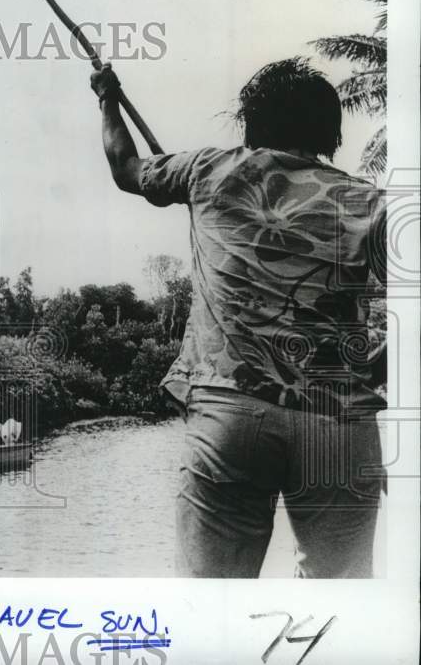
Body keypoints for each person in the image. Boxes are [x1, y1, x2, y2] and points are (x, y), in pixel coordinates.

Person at [91, 58, 387, 578]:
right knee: (341, 608)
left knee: (212, 607)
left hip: (232, 415)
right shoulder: (370, 204)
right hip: (337, 423)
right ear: (329, 130)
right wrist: (378, 367)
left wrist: (107, 98)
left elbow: (124, 167)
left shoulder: (208, 170)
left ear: (251, 122)